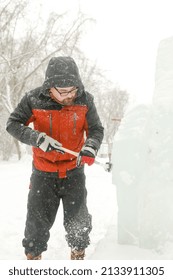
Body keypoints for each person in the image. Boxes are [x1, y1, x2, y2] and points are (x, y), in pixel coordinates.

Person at [6, 56, 104, 260]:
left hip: (74, 173)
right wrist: (37, 138)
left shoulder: (85, 100)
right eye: (63, 91)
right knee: (36, 225)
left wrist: (90, 148)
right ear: (50, 87)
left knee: (78, 222)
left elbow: (95, 129)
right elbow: (13, 124)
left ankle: (78, 256)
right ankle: (33, 258)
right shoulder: (33, 99)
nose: (69, 96)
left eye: (72, 90)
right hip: (43, 173)